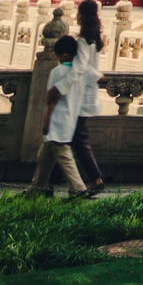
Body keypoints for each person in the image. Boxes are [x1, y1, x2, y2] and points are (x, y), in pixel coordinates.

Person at [24, 35, 88, 198]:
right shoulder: (78, 74)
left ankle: (79, 188)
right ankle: (37, 189)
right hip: (70, 118)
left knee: (63, 155)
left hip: (57, 120)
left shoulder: (57, 72)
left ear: (64, 55)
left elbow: (52, 99)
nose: (56, 58)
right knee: (45, 157)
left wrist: (46, 120)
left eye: (57, 55)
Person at [70, 0, 107, 196]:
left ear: (82, 16)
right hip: (86, 94)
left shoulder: (83, 40)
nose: (76, 15)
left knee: (75, 138)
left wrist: (96, 75)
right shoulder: (94, 39)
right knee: (74, 138)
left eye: (78, 12)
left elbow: (81, 66)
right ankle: (81, 181)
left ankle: (94, 179)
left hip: (81, 95)